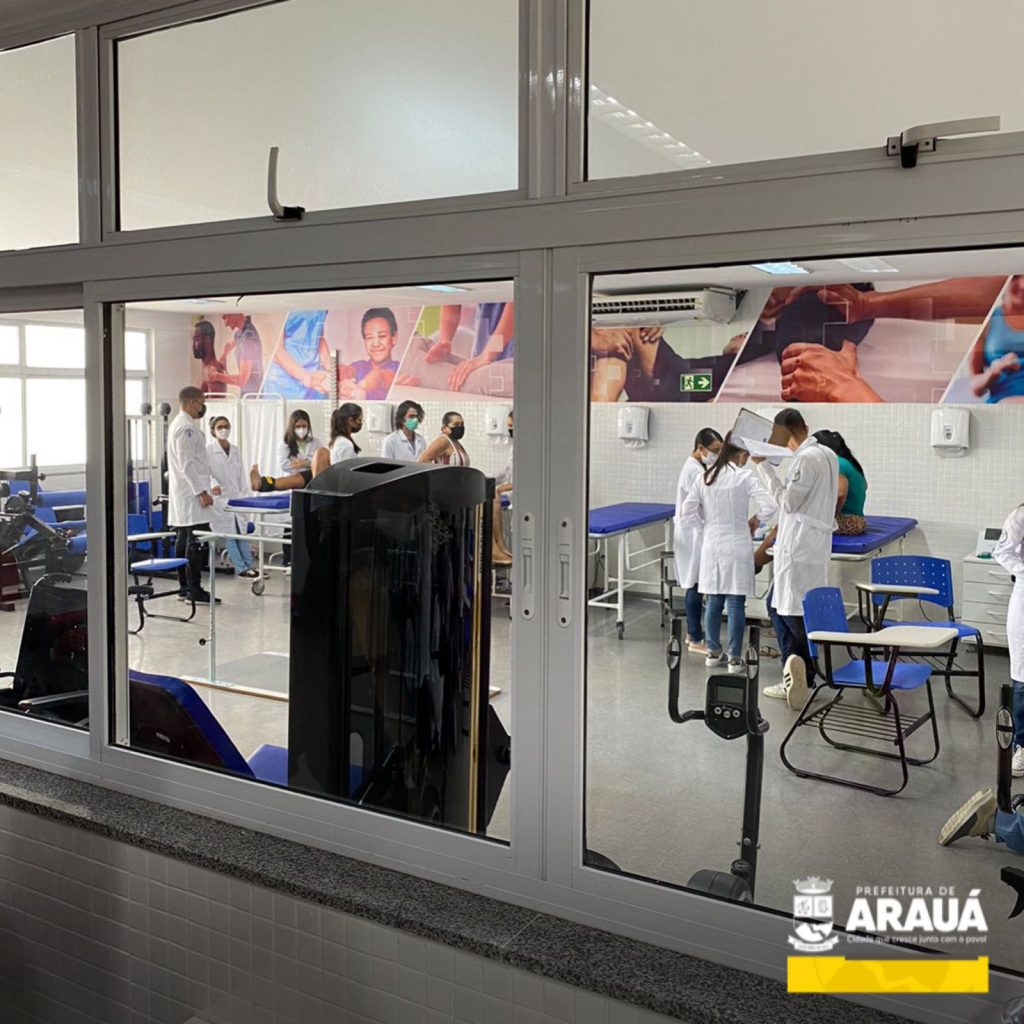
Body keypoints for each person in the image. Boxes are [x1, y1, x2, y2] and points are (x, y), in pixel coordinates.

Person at [755, 409, 838, 708]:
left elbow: (788, 503)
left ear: (785, 433)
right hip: (810, 546)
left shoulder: (806, 459)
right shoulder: (827, 454)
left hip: (799, 547)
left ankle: (801, 677)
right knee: (781, 605)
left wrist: (763, 467)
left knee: (790, 612)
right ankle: (801, 674)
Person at [681, 435, 777, 673]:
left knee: (713, 601)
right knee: (735, 604)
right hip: (737, 544)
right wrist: (756, 519)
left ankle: (713, 652)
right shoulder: (744, 477)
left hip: (712, 545)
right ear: (742, 454)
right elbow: (770, 505)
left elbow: (688, 510)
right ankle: (734, 659)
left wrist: (703, 528)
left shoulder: (706, 477)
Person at [672, 427, 724, 654]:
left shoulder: (697, 467)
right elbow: (701, 503)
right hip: (692, 534)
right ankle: (695, 637)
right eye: (714, 450)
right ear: (700, 448)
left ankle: (691, 632)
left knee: (695, 582)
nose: (716, 455)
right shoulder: (694, 471)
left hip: (693, 532)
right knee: (695, 584)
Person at [167, 386, 218, 603]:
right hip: (191, 495)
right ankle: (193, 589)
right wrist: (201, 492)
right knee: (194, 540)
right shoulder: (185, 428)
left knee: (184, 537)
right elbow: (187, 464)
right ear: (192, 402)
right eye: (202, 402)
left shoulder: (182, 424)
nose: (202, 407)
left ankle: (185, 587)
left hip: (185, 494)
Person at [206, 416, 258, 578]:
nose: (224, 429)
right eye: (220, 427)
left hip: (237, 497)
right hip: (220, 499)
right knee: (230, 535)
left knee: (241, 534)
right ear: (213, 431)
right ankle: (241, 568)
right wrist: (213, 484)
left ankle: (250, 566)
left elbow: (241, 475)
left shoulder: (235, 450)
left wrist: (245, 494)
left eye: (226, 426)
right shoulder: (208, 450)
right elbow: (205, 473)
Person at [968, 275, 1024, 403]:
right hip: (1005, 398)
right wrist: (994, 371)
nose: (1022, 284)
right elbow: (975, 388)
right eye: (1016, 278)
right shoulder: (987, 321)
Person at [262, 310, 330, 400]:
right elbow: (276, 350)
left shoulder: (321, 303)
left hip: (314, 380)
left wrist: (332, 373)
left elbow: (319, 337)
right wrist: (305, 376)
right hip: (284, 380)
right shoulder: (279, 306)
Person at [250, 409, 323, 492]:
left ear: (308, 426)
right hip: (297, 477)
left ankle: (262, 484)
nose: (301, 429)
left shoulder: (316, 442)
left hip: (314, 477)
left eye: (304, 426)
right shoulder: (284, 444)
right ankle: (261, 483)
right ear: (292, 427)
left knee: (294, 479)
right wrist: (310, 464)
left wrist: (304, 463)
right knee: (294, 479)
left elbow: (321, 463)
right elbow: (284, 465)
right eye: (298, 426)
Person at [812, 430, 868, 535]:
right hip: (857, 520)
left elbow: (841, 494)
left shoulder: (837, 463)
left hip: (848, 521)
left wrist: (831, 517)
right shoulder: (850, 462)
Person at [338, 308, 401, 402]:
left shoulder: (399, 369)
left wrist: (359, 387)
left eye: (382, 336)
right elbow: (346, 371)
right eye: (369, 337)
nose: (375, 344)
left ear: (394, 338)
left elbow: (380, 376)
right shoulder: (360, 366)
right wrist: (337, 378)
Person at [209, 314, 263, 396]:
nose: (225, 324)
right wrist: (223, 357)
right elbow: (228, 345)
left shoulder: (248, 339)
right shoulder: (240, 333)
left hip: (252, 396)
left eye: (225, 318)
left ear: (234, 313)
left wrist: (216, 376)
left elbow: (242, 380)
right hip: (246, 392)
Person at [491, 410, 514, 566]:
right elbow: (507, 471)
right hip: (516, 498)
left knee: (494, 494)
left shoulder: (532, 446)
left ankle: (499, 545)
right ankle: (499, 545)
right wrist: (489, 479)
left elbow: (531, 477)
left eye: (512, 426)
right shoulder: (515, 446)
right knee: (491, 492)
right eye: (508, 426)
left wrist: (505, 487)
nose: (510, 430)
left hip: (527, 499)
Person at [191, 318, 226, 396]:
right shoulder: (207, 369)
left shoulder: (213, 372)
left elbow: (217, 403)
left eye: (196, 339)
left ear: (207, 339)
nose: (193, 345)